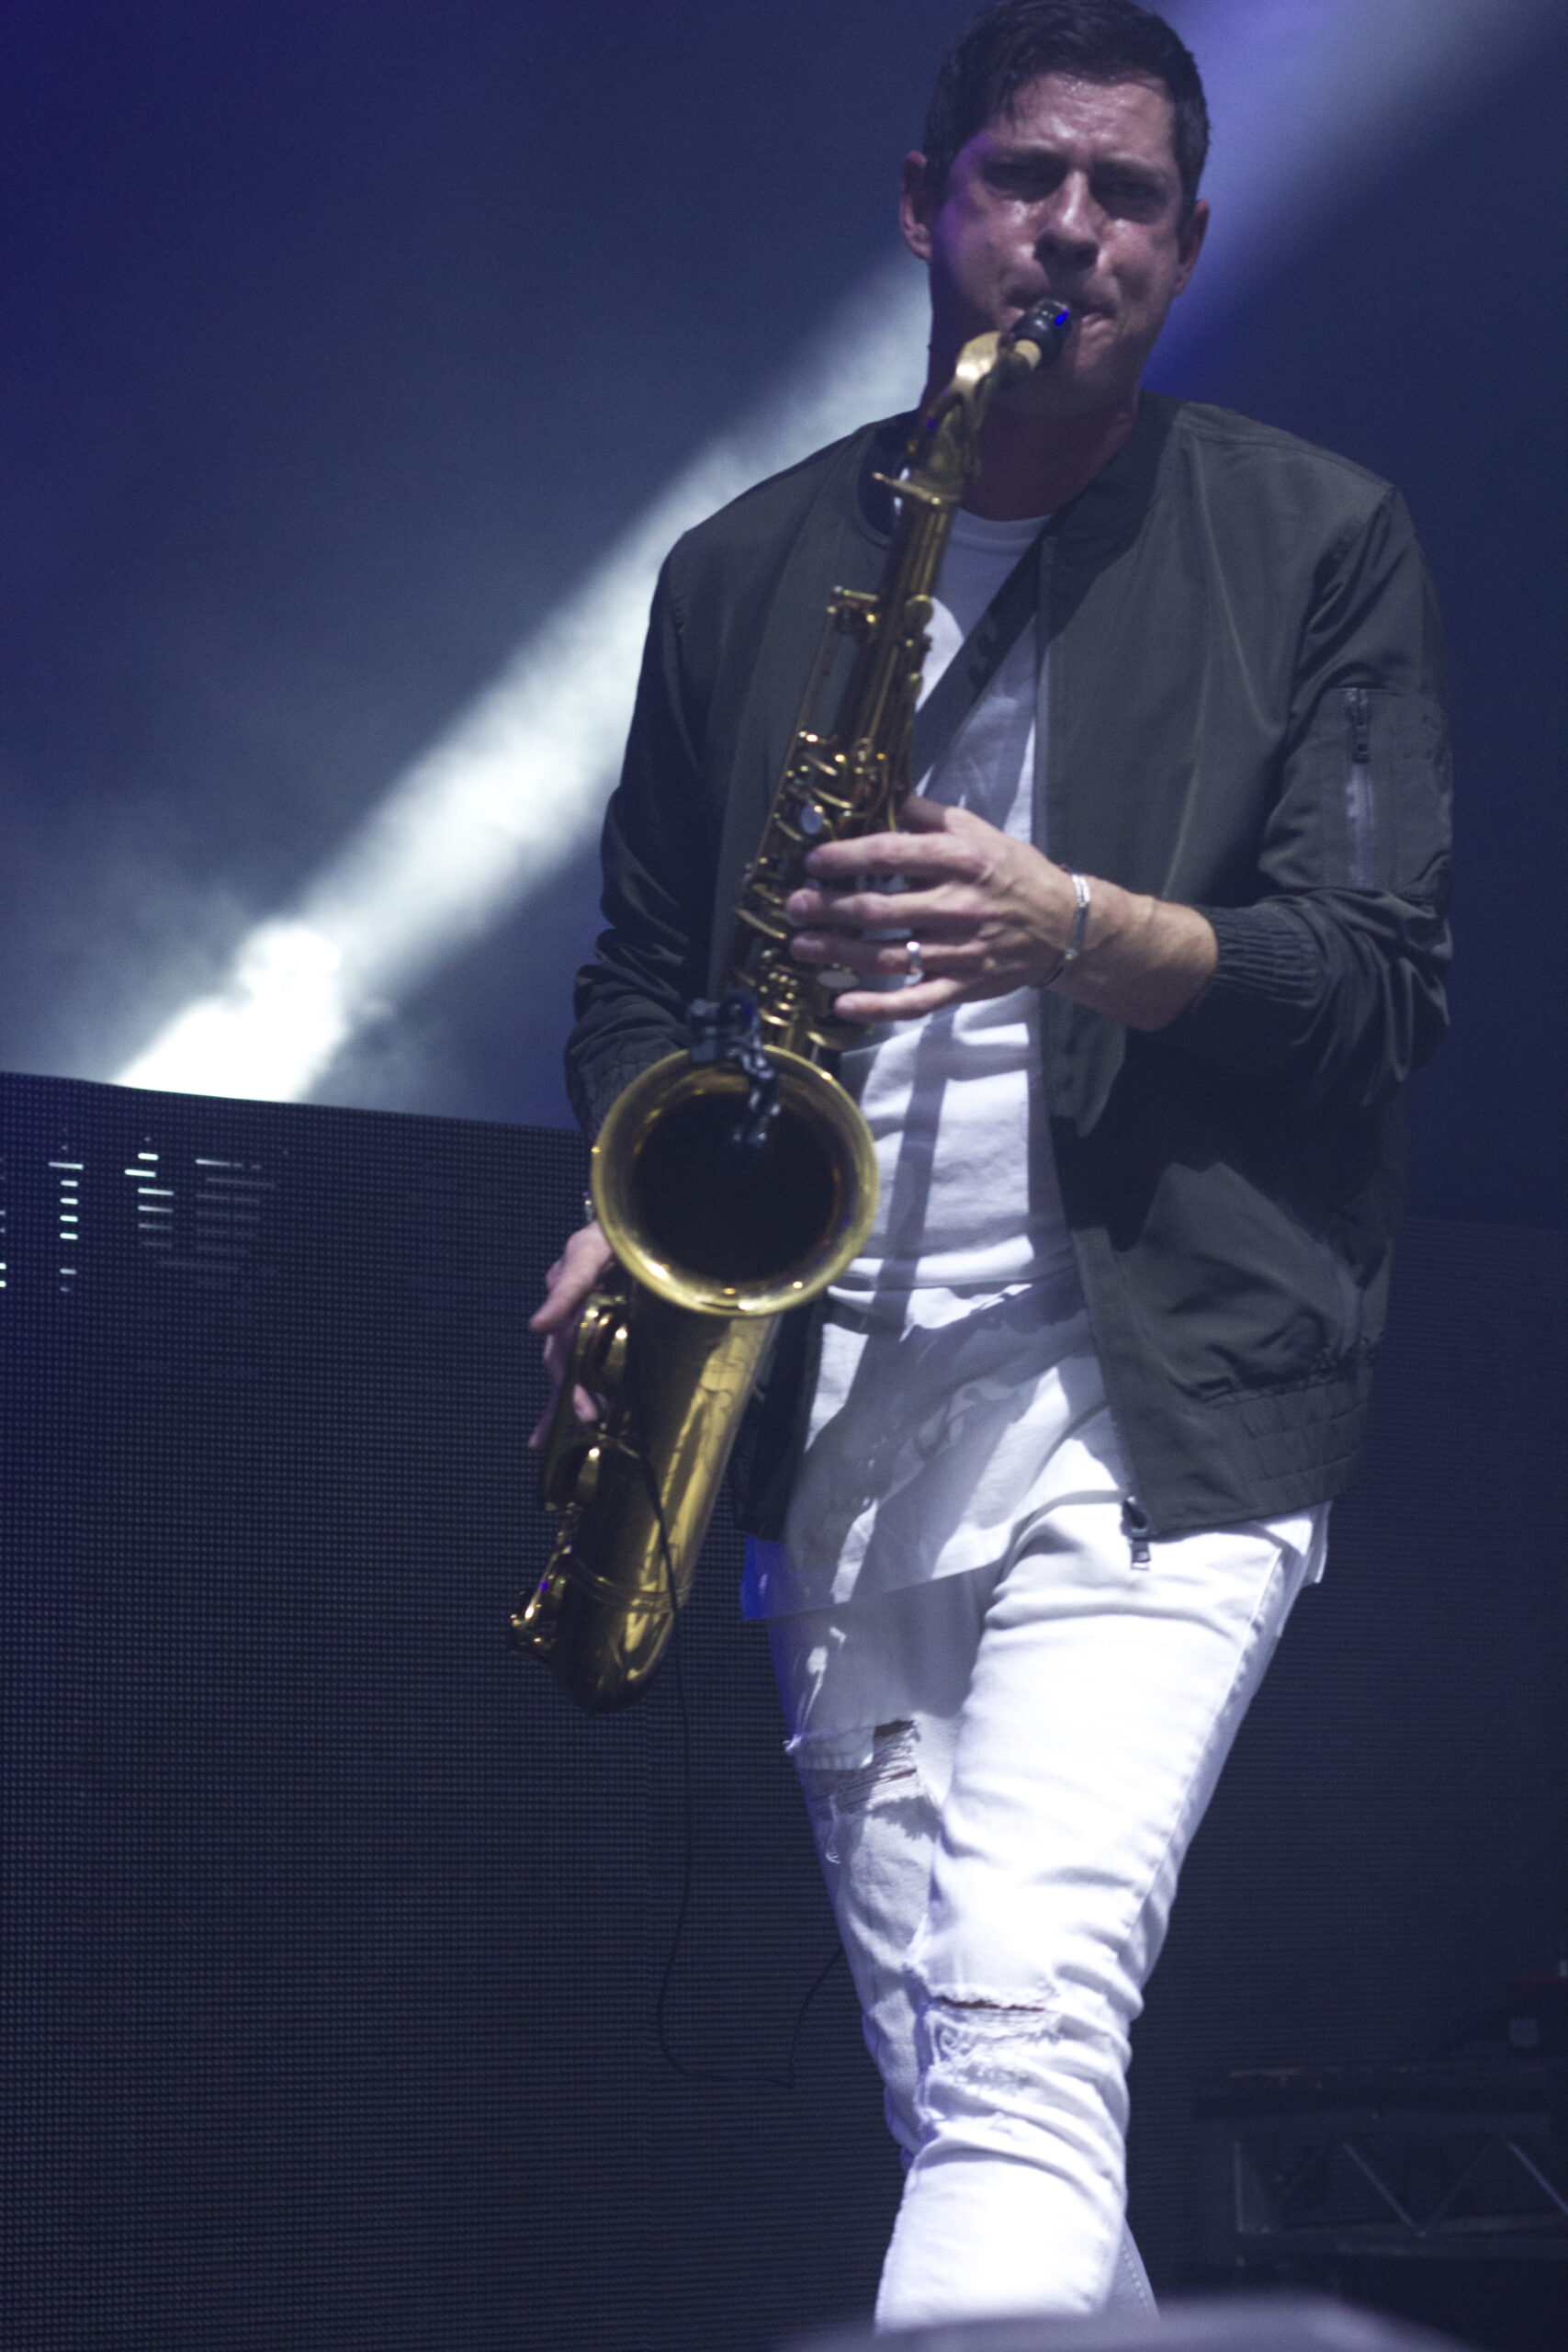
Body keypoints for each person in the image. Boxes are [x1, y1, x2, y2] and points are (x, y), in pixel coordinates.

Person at [531, 0, 1451, 2324]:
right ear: (922, 206)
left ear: (1185, 240)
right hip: (833, 1405)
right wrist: (621, 1206)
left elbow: (1373, 988)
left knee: (1026, 2009)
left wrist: (1076, 925)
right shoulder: (740, 566)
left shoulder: (1314, 539)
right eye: (1023, 177)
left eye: (1124, 195)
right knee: (970, 2081)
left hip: (1164, 1400)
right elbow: (637, 965)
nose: (1069, 231)